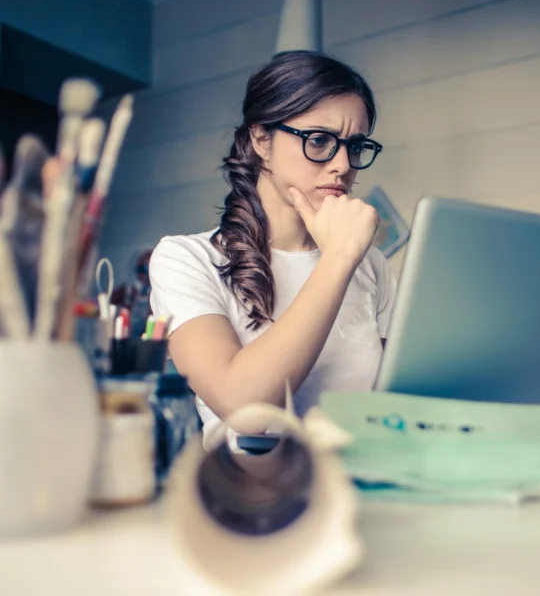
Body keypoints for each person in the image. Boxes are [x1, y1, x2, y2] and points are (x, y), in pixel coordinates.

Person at [149, 50, 397, 445]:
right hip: (247, 495)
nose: (342, 165)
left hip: (359, 492)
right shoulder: (186, 259)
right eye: (318, 141)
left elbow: (391, 409)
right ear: (261, 139)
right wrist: (338, 258)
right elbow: (245, 411)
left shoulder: (372, 266)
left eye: (355, 146)